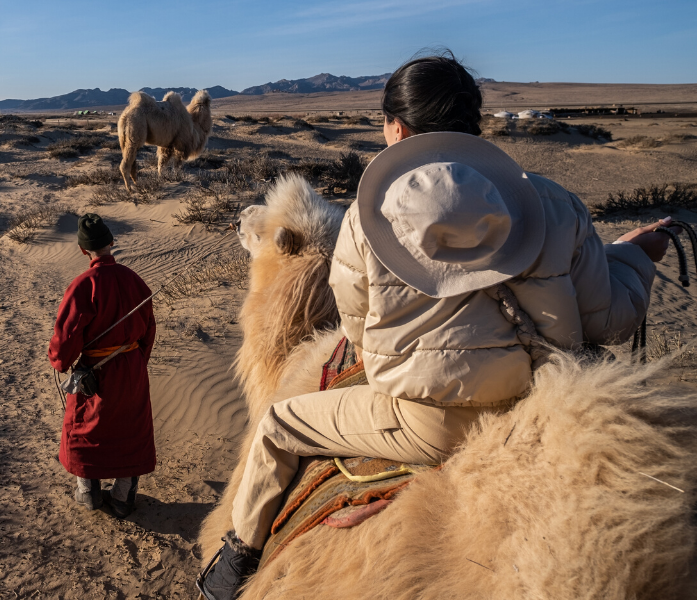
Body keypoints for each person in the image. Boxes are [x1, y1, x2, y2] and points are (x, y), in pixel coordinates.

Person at [197, 53, 676, 600]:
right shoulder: (555, 204)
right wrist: (633, 258)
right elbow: (609, 319)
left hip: (422, 423)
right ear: (474, 125)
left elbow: (356, 328)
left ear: (396, 127)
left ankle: (235, 561)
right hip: (542, 408)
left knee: (280, 424)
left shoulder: (363, 218)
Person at [49, 213, 157, 518]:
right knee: (129, 428)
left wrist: (60, 361)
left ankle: (88, 492)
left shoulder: (83, 285)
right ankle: (123, 496)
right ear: (111, 243)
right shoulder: (135, 279)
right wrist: (136, 363)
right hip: (132, 366)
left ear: (84, 250)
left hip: (96, 371)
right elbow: (149, 328)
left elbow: (65, 338)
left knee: (86, 427)